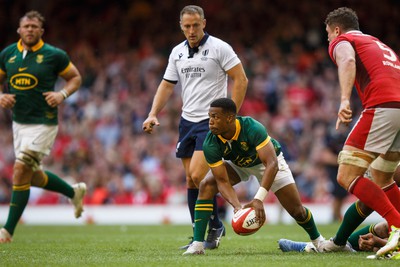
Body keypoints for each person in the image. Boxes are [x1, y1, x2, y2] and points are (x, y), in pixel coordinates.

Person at [142, 5, 248, 250]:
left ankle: (214, 226)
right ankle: (203, 232)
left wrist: (231, 114)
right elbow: (167, 85)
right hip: (186, 121)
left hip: (211, 122)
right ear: (181, 26)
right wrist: (152, 113)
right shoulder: (177, 52)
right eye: (187, 26)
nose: (191, 30)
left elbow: (241, 78)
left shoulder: (220, 48)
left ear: (204, 23)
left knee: (199, 176)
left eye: (195, 25)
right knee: (190, 181)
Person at [183, 98, 324, 255]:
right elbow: (221, 180)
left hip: (267, 163)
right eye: (209, 116)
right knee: (207, 184)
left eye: (215, 117)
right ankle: (197, 245)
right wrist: (237, 207)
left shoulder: (251, 127)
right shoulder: (210, 142)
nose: (210, 121)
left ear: (229, 118)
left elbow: (272, 164)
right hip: (238, 164)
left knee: (297, 211)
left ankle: (319, 241)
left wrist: (258, 199)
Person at [319, 7, 400, 259]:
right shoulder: (377, 43)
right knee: (382, 177)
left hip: (382, 106)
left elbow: (347, 60)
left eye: (328, 35)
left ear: (336, 29)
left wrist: (344, 100)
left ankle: (397, 226)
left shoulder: (343, 41)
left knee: (346, 174)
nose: (329, 41)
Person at [0, 10, 86, 243]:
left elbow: (76, 77)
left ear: (41, 31)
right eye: (26, 26)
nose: (29, 29)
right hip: (19, 124)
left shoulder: (53, 55)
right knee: (32, 175)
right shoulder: (7, 54)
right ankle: (73, 192)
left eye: (34, 26)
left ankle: (7, 231)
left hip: (44, 123)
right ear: (19, 29)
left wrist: (62, 94)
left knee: (20, 170)